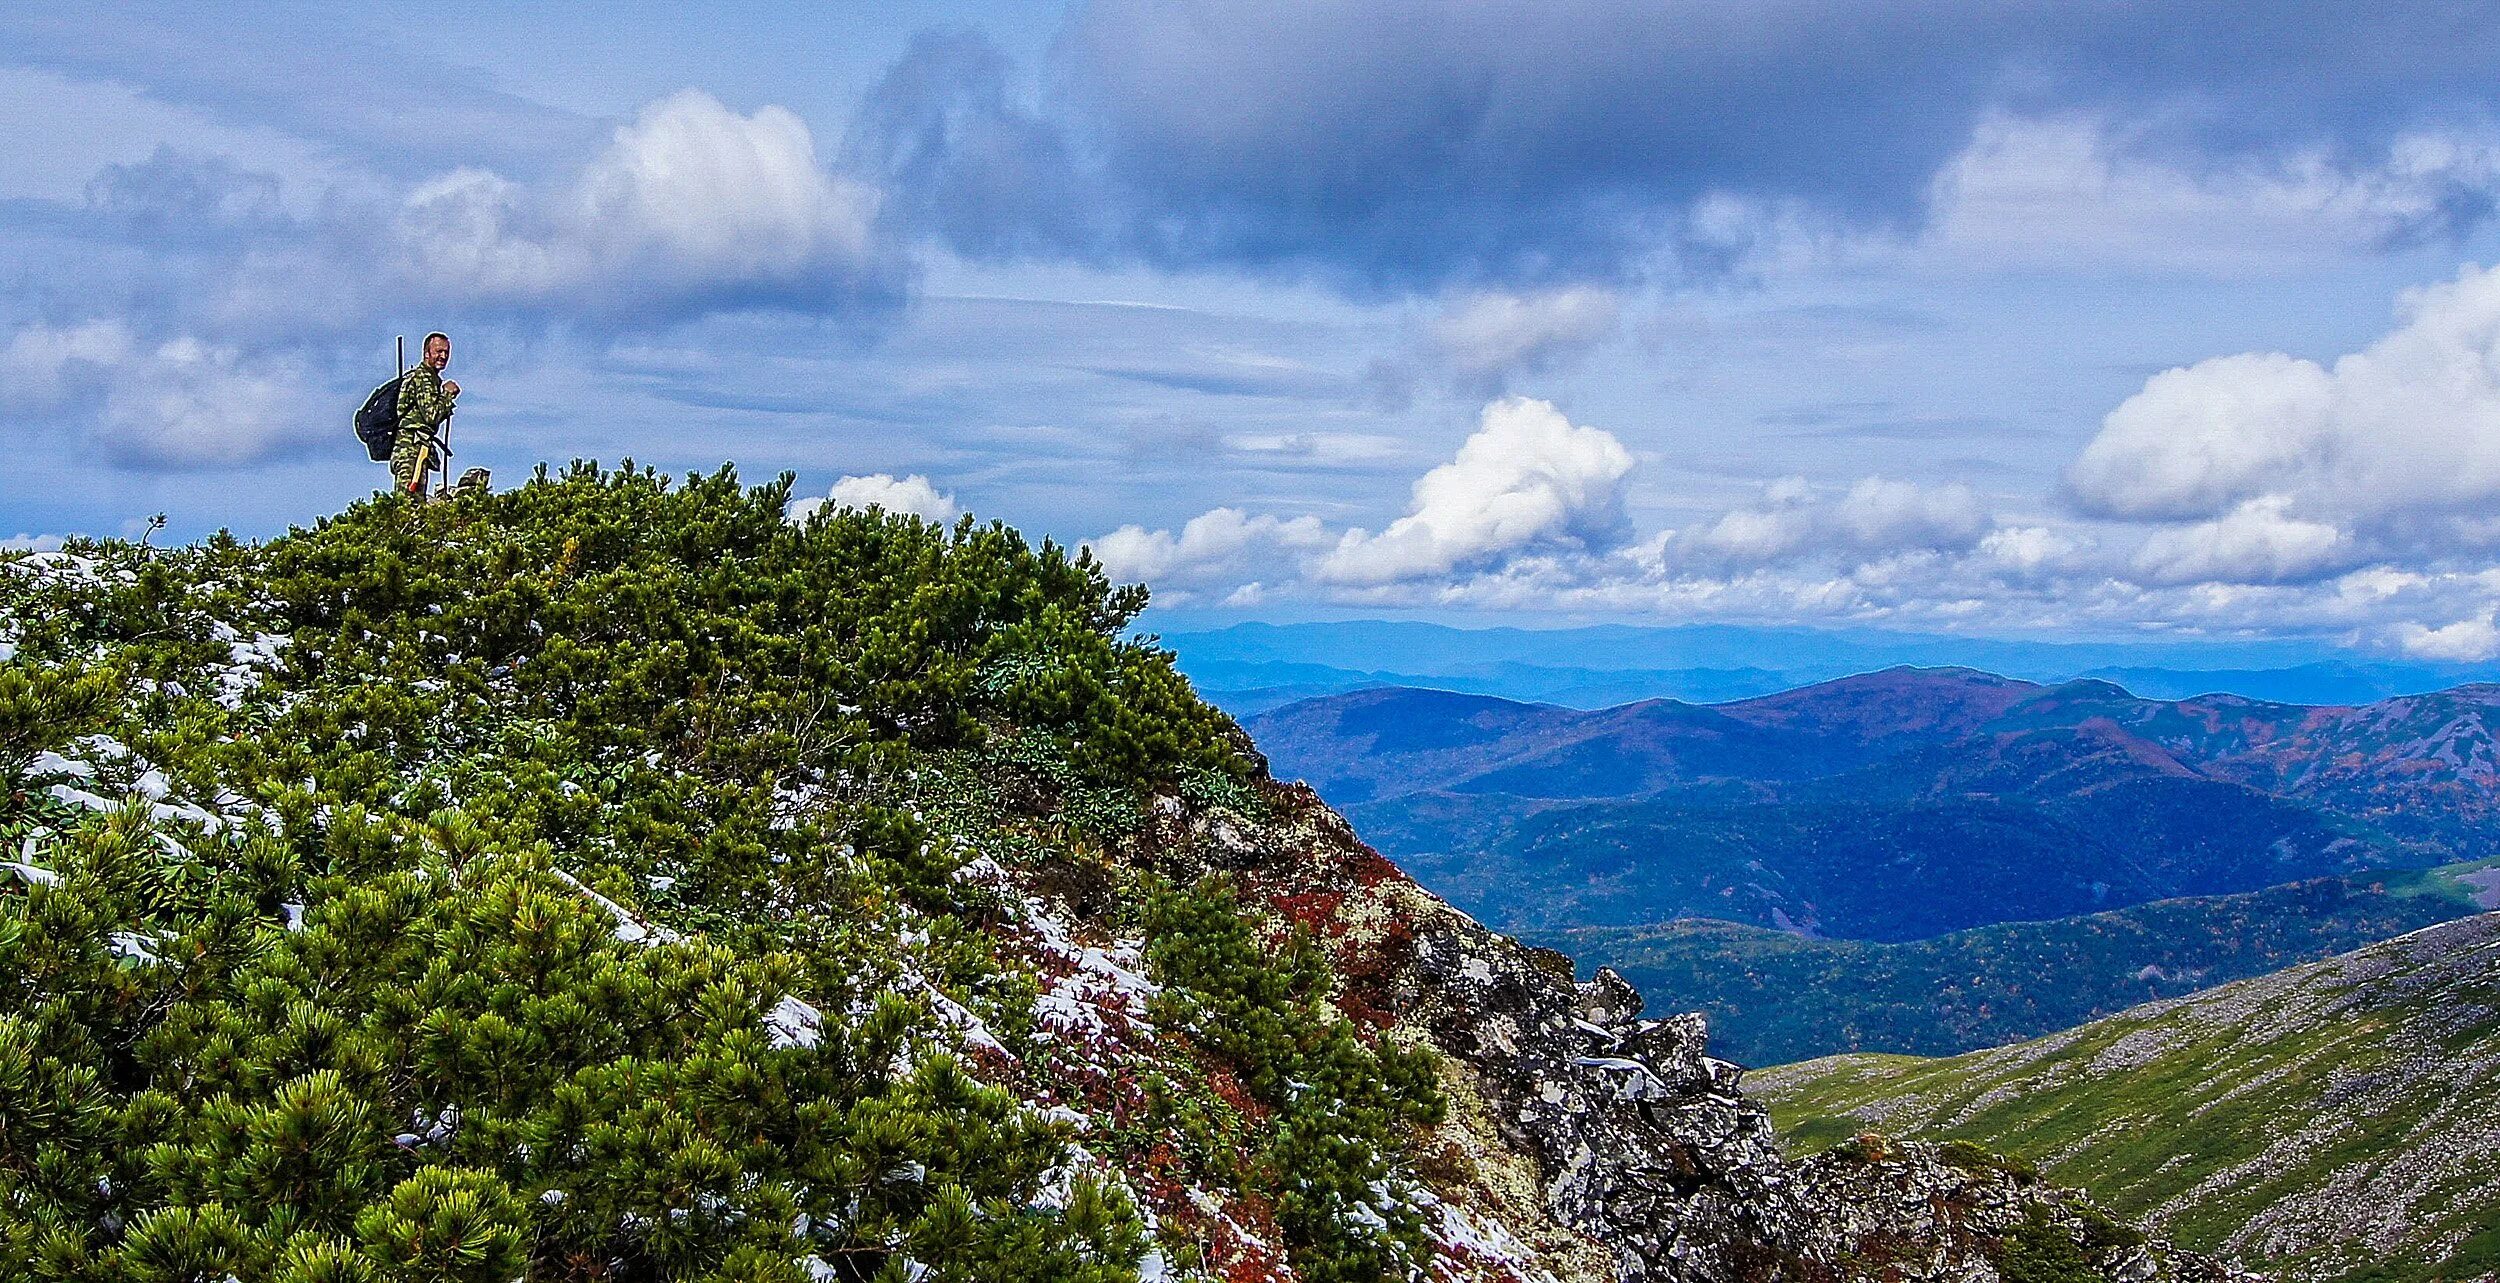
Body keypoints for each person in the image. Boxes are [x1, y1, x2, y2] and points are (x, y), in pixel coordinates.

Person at [392, 332, 460, 496]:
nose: (443, 356)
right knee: (409, 502)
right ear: (426, 353)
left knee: (415, 501)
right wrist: (447, 395)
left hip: (418, 447)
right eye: (438, 351)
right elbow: (431, 416)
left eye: (446, 352)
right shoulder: (423, 378)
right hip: (410, 448)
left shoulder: (430, 378)